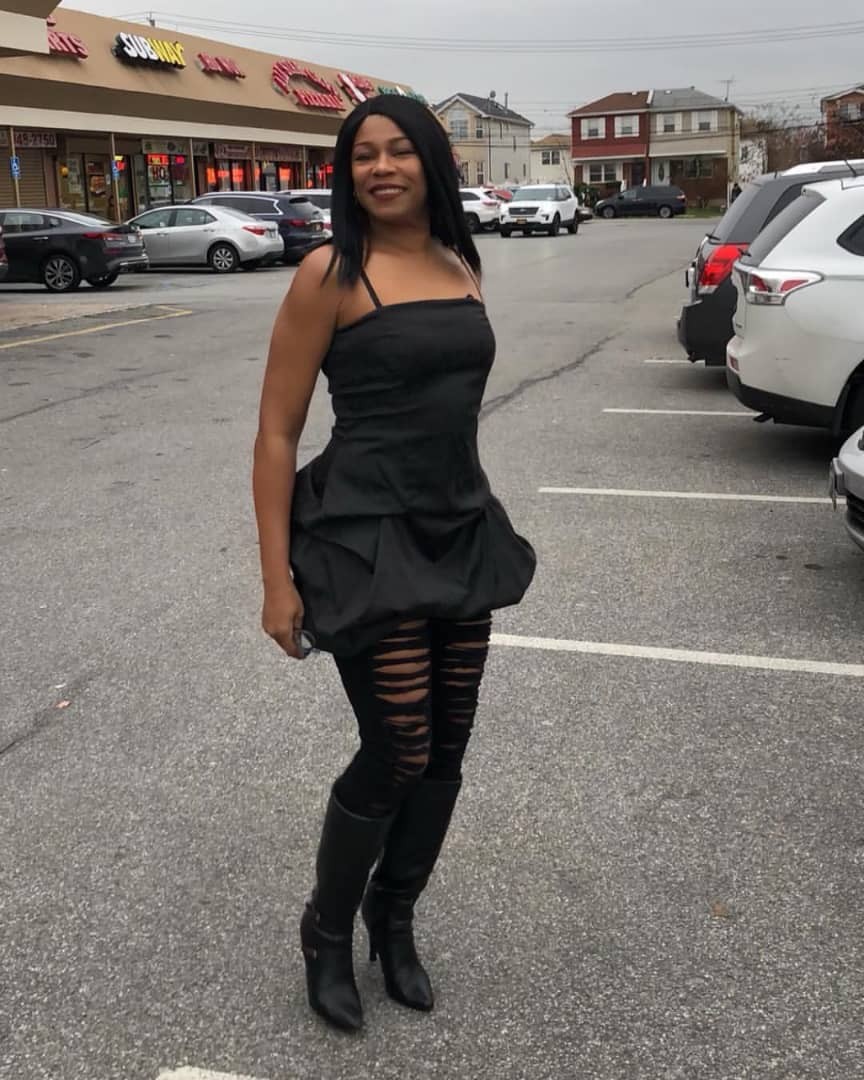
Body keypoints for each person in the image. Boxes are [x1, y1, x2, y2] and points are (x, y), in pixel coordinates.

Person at [252, 93, 536, 1032]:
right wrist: (276, 579)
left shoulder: (462, 261)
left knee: (447, 748)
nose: (380, 167)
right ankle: (327, 930)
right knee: (398, 747)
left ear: (431, 162)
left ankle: (395, 914)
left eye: (399, 150)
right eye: (363, 154)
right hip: (365, 534)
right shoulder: (331, 272)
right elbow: (276, 432)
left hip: (457, 523)